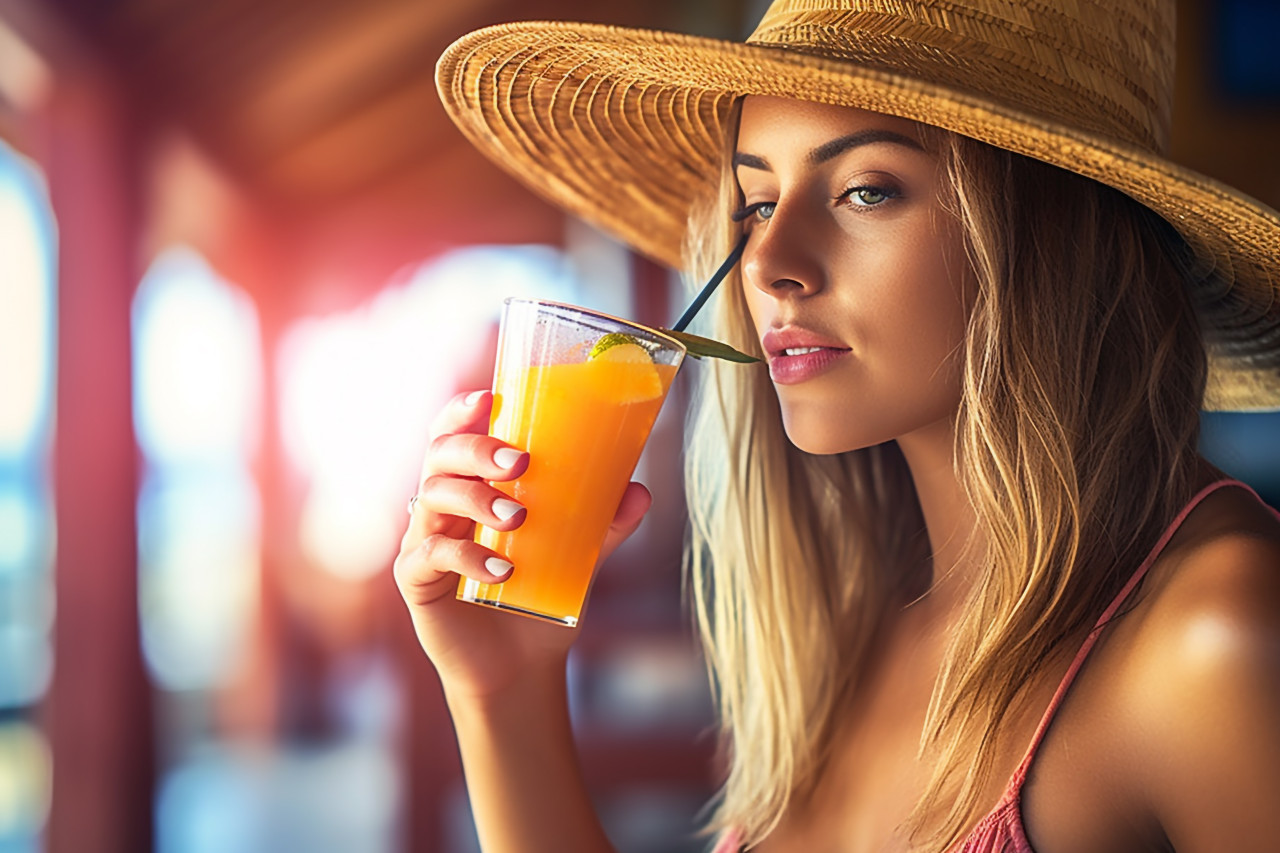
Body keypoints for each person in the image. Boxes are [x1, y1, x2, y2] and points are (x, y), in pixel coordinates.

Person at [396, 1, 1280, 850]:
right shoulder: (852, 619)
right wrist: (504, 688)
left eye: (865, 190)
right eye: (753, 205)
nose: (771, 262)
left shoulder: (1218, 633)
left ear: (1054, 231)